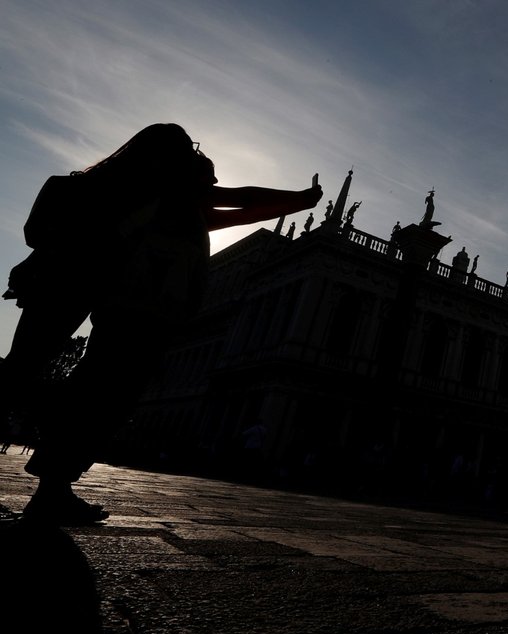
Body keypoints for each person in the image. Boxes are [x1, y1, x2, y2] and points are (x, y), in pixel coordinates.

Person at [0, 123, 322, 524]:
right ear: (168, 156)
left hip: (109, 300)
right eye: (192, 154)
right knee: (92, 392)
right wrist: (303, 198)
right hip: (124, 305)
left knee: (50, 377)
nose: (208, 173)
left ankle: (54, 483)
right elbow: (242, 199)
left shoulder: (153, 192)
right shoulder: (167, 193)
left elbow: (241, 207)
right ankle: (54, 482)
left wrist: (297, 202)